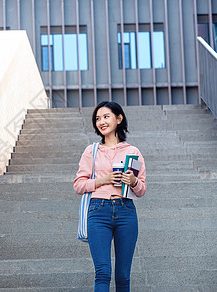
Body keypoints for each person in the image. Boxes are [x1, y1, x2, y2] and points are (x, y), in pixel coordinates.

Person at [73, 101, 146, 291]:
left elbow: (142, 190)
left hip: (126, 211)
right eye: (98, 118)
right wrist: (103, 180)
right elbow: (79, 185)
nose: (101, 122)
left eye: (106, 116)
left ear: (119, 118)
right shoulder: (91, 151)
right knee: (103, 272)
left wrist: (133, 182)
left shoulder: (133, 151)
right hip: (98, 211)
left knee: (123, 276)